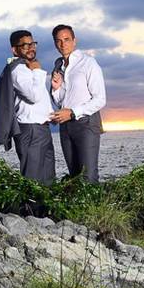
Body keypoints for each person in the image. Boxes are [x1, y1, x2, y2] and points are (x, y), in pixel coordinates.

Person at [0, 30, 56, 185]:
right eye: (25, 45)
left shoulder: (27, 68)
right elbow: (33, 96)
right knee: (32, 180)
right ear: (15, 50)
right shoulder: (18, 69)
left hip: (41, 128)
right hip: (30, 130)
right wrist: (38, 71)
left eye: (32, 44)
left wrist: (50, 115)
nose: (31, 47)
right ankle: (29, 210)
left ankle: (43, 210)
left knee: (48, 179)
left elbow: (39, 101)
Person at [49, 24, 106, 182]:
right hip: (66, 126)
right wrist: (55, 88)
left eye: (67, 39)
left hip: (86, 123)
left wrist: (73, 112)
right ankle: (81, 207)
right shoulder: (58, 65)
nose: (63, 44)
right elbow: (60, 101)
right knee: (74, 175)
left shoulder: (88, 63)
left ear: (74, 41)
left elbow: (100, 99)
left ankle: (95, 207)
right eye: (58, 41)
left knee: (88, 175)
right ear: (55, 43)